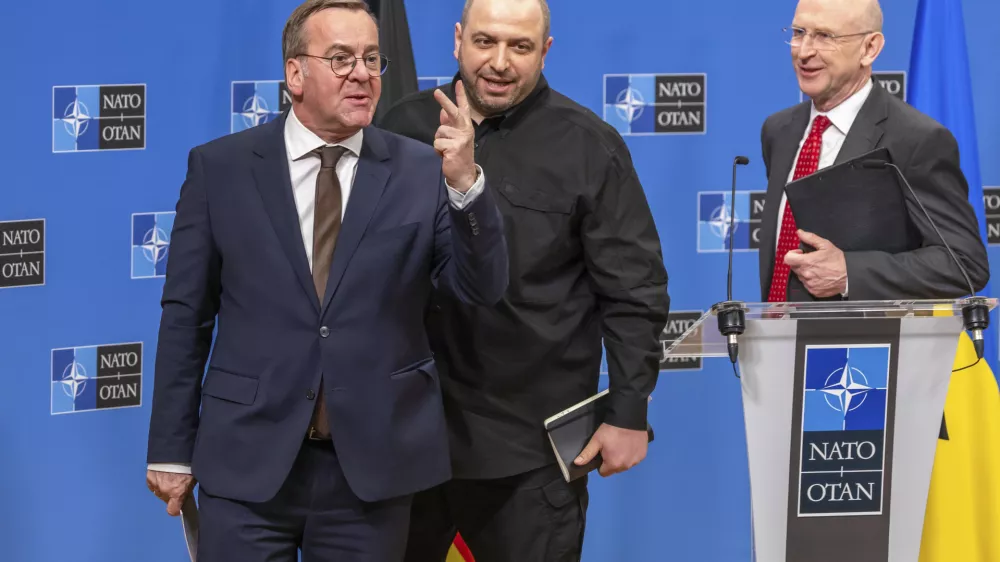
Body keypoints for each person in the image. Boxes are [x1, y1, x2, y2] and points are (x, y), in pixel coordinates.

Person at [144, 0, 509, 560]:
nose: (362, 73)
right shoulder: (220, 169)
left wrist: (465, 186)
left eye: (371, 59)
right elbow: (186, 314)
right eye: (340, 59)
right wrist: (171, 448)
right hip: (247, 465)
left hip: (371, 470)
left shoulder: (420, 170)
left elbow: (480, 291)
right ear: (295, 74)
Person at [379, 0, 670, 560]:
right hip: (407, 441)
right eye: (486, 42)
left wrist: (629, 413)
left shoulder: (590, 145)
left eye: (521, 46)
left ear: (546, 51)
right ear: (459, 39)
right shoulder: (399, 129)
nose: (500, 62)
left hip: (528, 454)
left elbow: (634, 292)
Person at [759, 0, 989, 303]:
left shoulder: (916, 139)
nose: (804, 51)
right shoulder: (779, 130)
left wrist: (850, 274)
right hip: (776, 342)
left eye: (826, 36)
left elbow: (964, 264)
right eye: (800, 32)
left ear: (870, 48)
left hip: (863, 346)